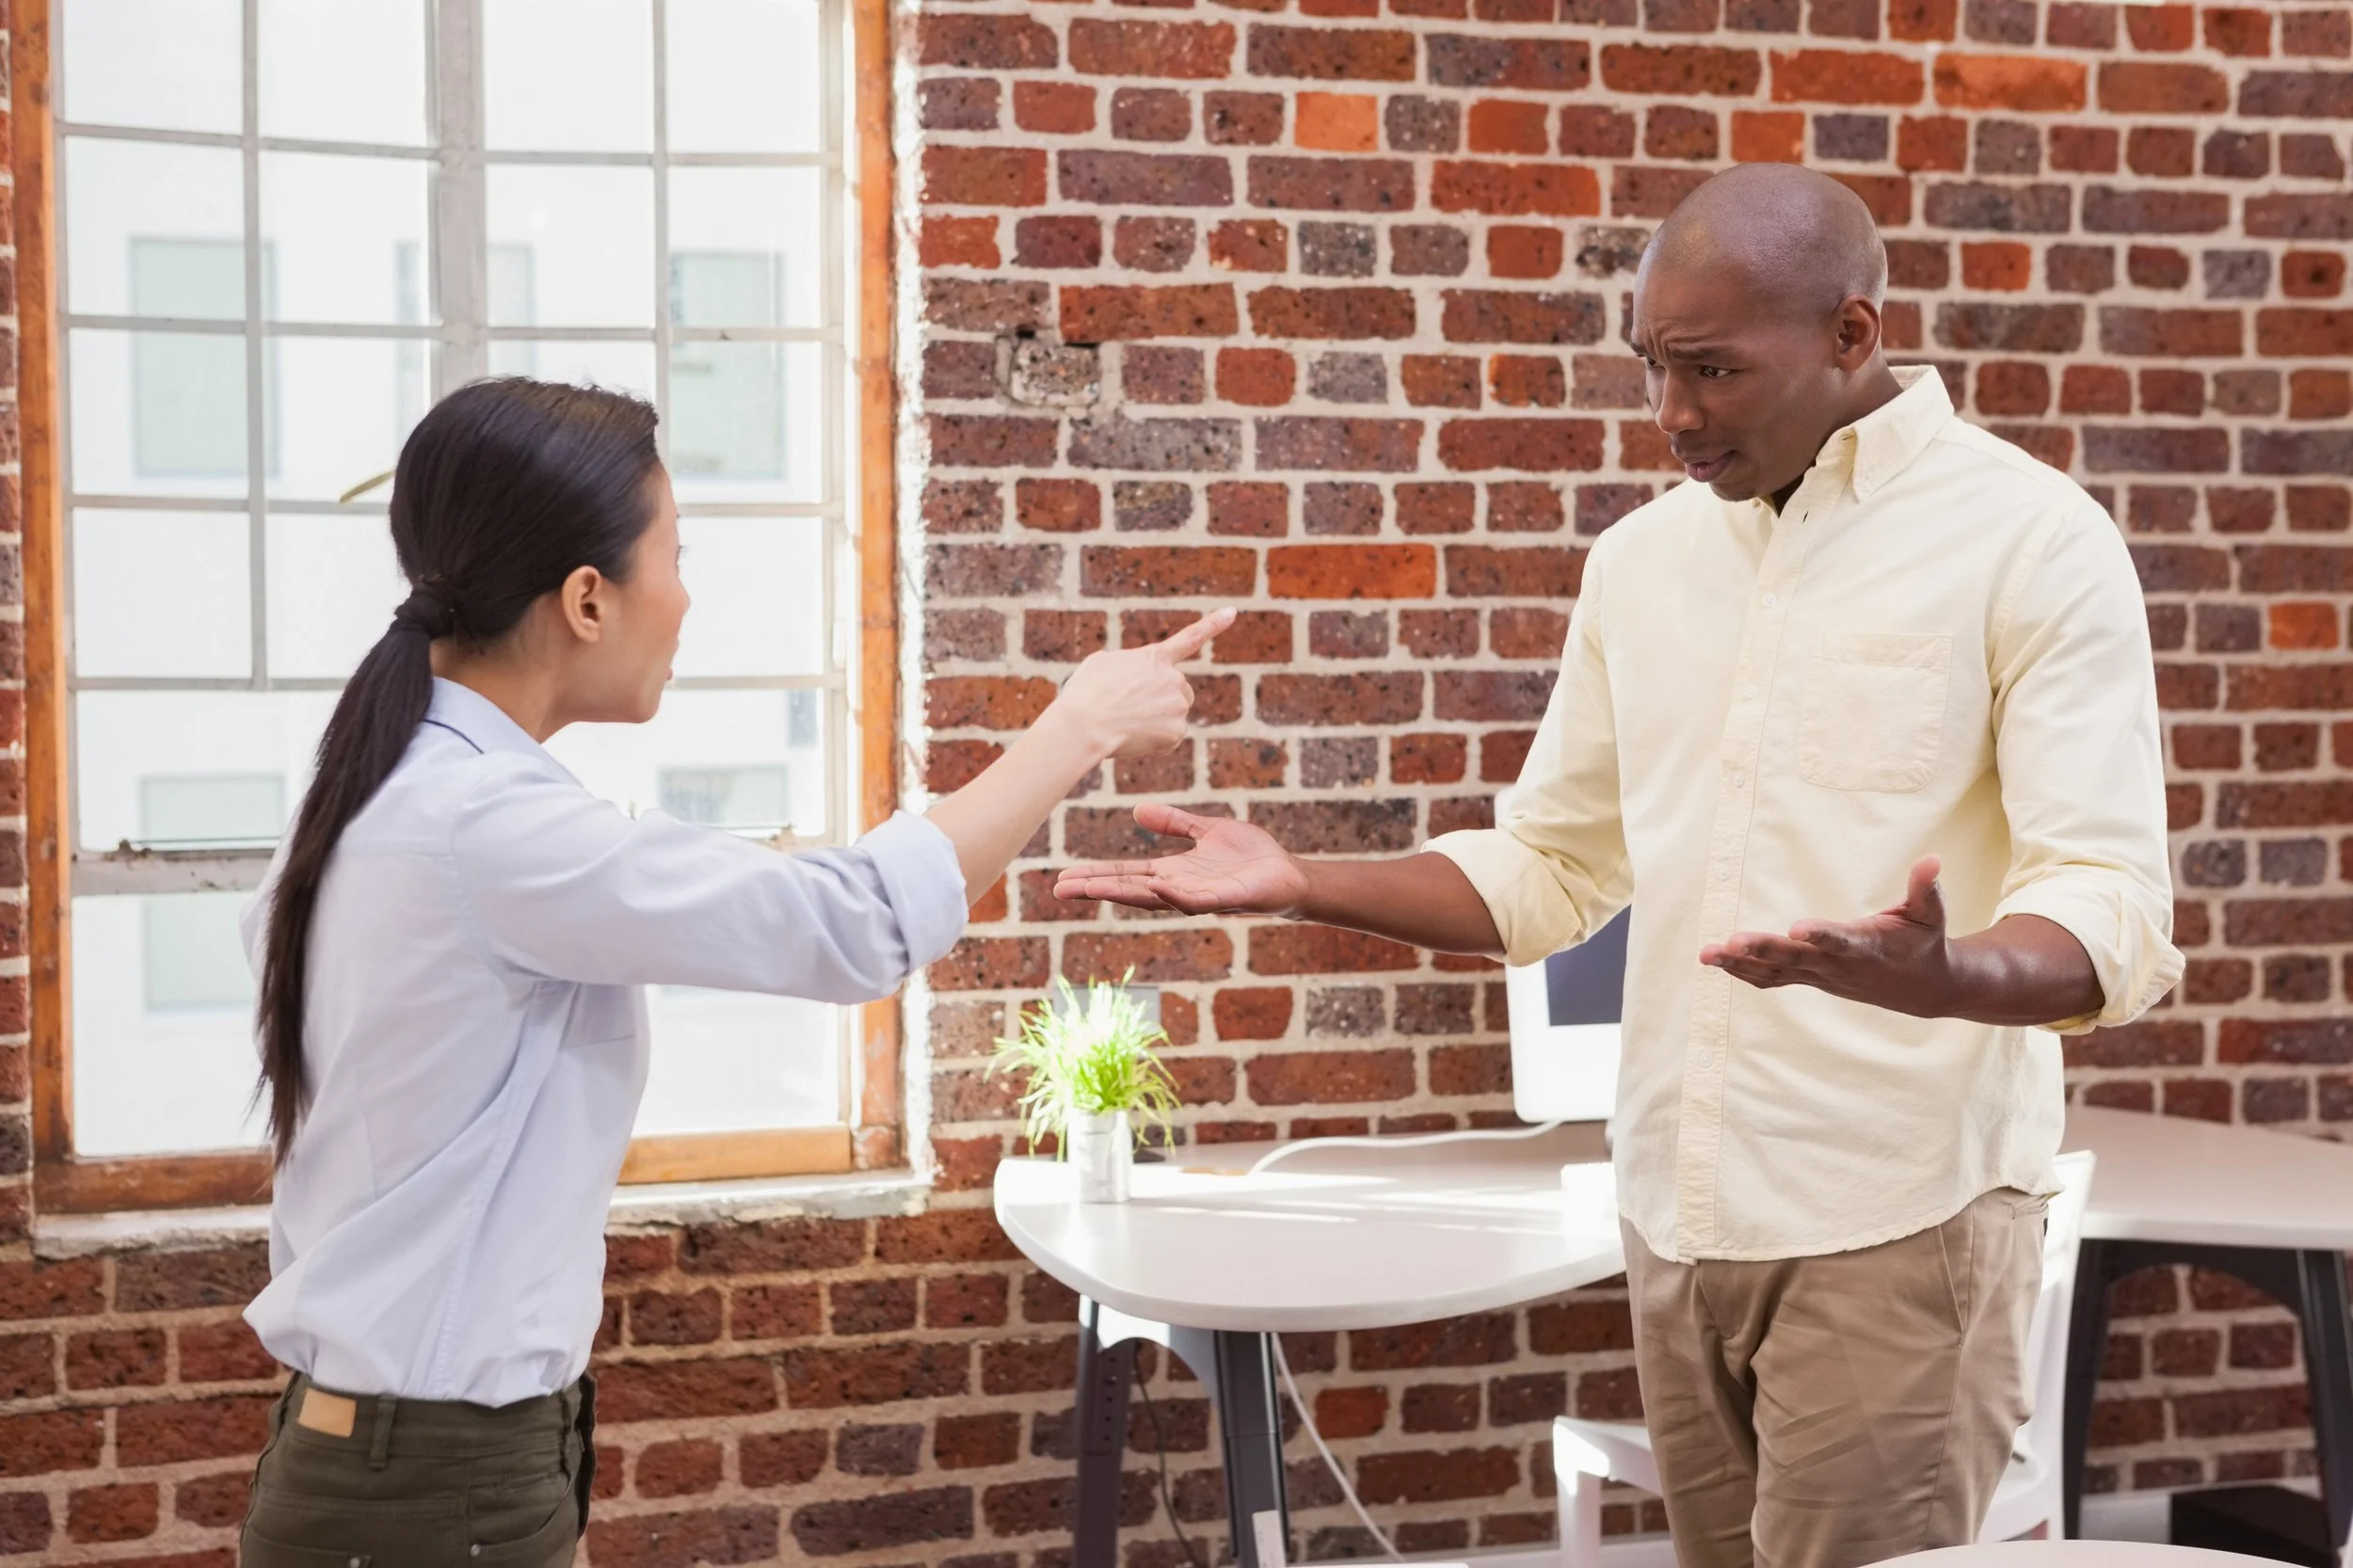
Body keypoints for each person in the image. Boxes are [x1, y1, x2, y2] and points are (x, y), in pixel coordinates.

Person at [1056, 165, 2180, 1568]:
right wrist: (1301, 881)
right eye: (1651, 365)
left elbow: (2110, 903)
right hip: (1675, 1207)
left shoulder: (2032, 539)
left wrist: (1946, 973)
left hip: (1899, 1218)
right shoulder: (1642, 563)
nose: (1673, 414)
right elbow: (1547, 867)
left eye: (1710, 369)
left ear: (1853, 334)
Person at [235, 376, 1231, 1568]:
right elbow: (852, 924)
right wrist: (1077, 725)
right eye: (674, 554)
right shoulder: (483, 828)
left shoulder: (394, 787)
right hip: (433, 1492)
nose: (688, 595)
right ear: (587, 600)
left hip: (417, 1470)